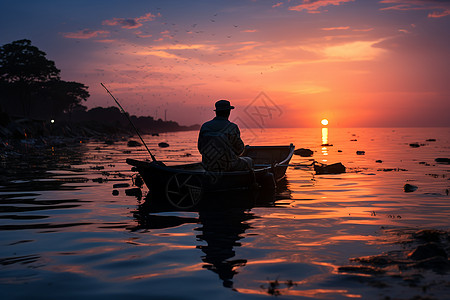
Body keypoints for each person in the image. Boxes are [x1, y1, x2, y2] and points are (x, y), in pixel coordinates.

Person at [198, 100, 252, 172]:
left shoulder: (205, 126)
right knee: (249, 160)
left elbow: (200, 148)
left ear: (216, 112)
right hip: (228, 166)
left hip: (208, 166)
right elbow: (239, 150)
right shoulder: (232, 127)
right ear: (228, 112)